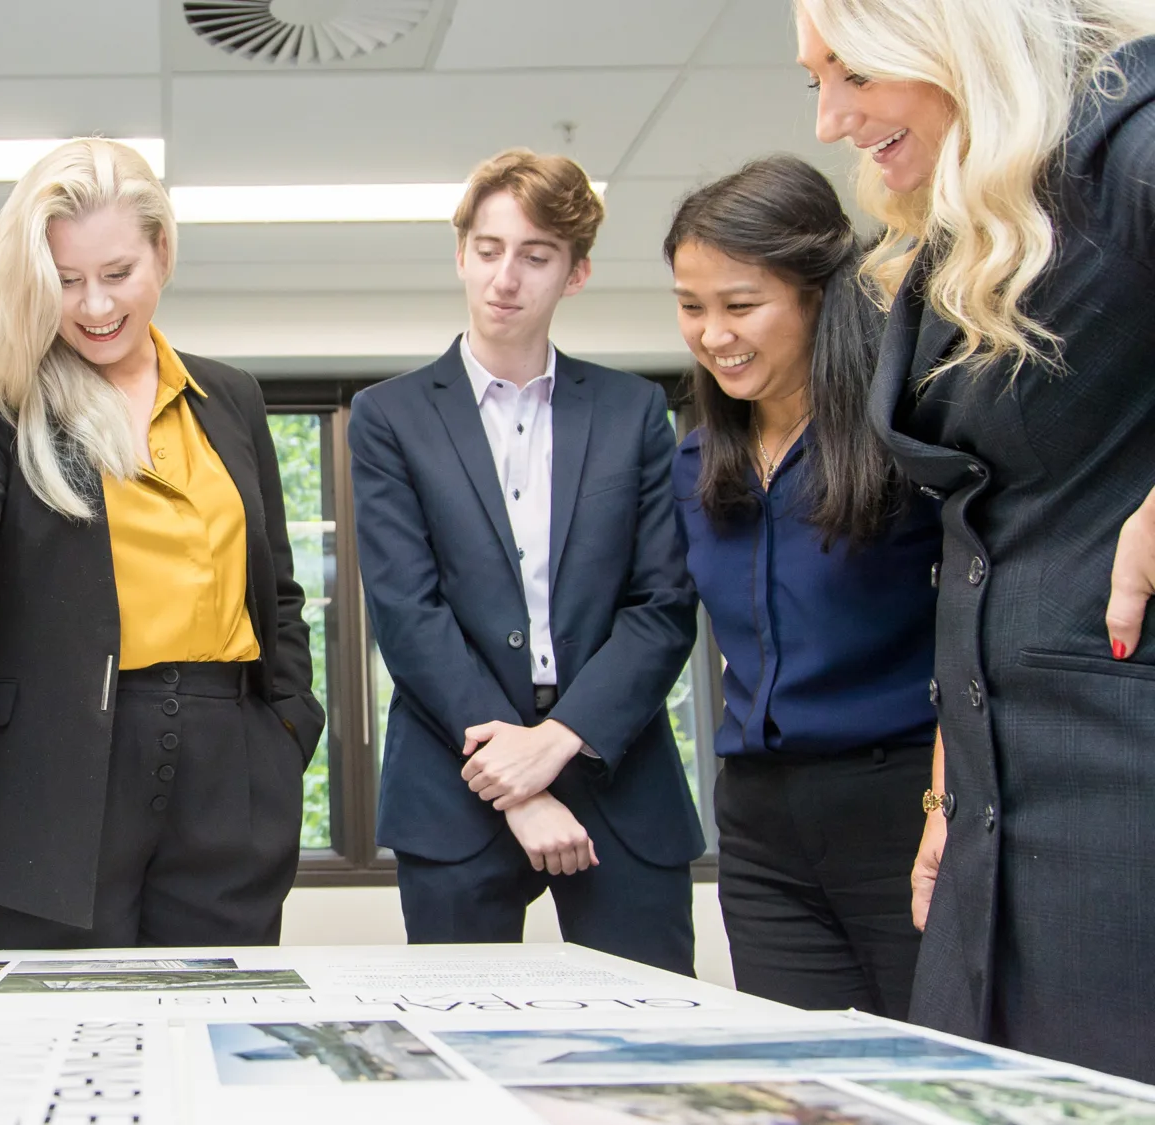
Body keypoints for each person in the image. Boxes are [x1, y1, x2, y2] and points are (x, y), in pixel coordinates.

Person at [0, 138, 323, 949]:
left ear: (162, 254)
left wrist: (283, 731)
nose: (94, 306)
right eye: (64, 282)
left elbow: (274, 591)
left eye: (117, 274)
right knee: (53, 1041)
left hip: (227, 767)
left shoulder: (230, 396)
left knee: (212, 1028)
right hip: (50, 774)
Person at [798, 0, 1155, 1079]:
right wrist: (955, 773)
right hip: (999, 807)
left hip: (1122, 806)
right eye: (812, 80)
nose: (827, 119)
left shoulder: (1132, 146)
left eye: (851, 72)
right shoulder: (974, 216)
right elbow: (992, 532)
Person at [348, 149, 704, 972]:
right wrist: (518, 777)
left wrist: (563, 740)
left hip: (617, 766)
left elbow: (662, 604)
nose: (506, 277)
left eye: (536, 256)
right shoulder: (388, 417)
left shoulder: (633, 411)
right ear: (461, 253)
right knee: (462, 1040)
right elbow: (409, 612)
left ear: (575, 274)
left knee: (654, 1045)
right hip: (453, 777)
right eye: (488, 249)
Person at [665, 154, 939, 1015]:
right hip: (759, 822)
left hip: (898, 800)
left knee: (922, 1066)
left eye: (741, 305)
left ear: (816, 296)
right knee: (799, 1076)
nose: (715, 335)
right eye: (691, 307)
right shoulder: (696, 465)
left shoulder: (909, 441)